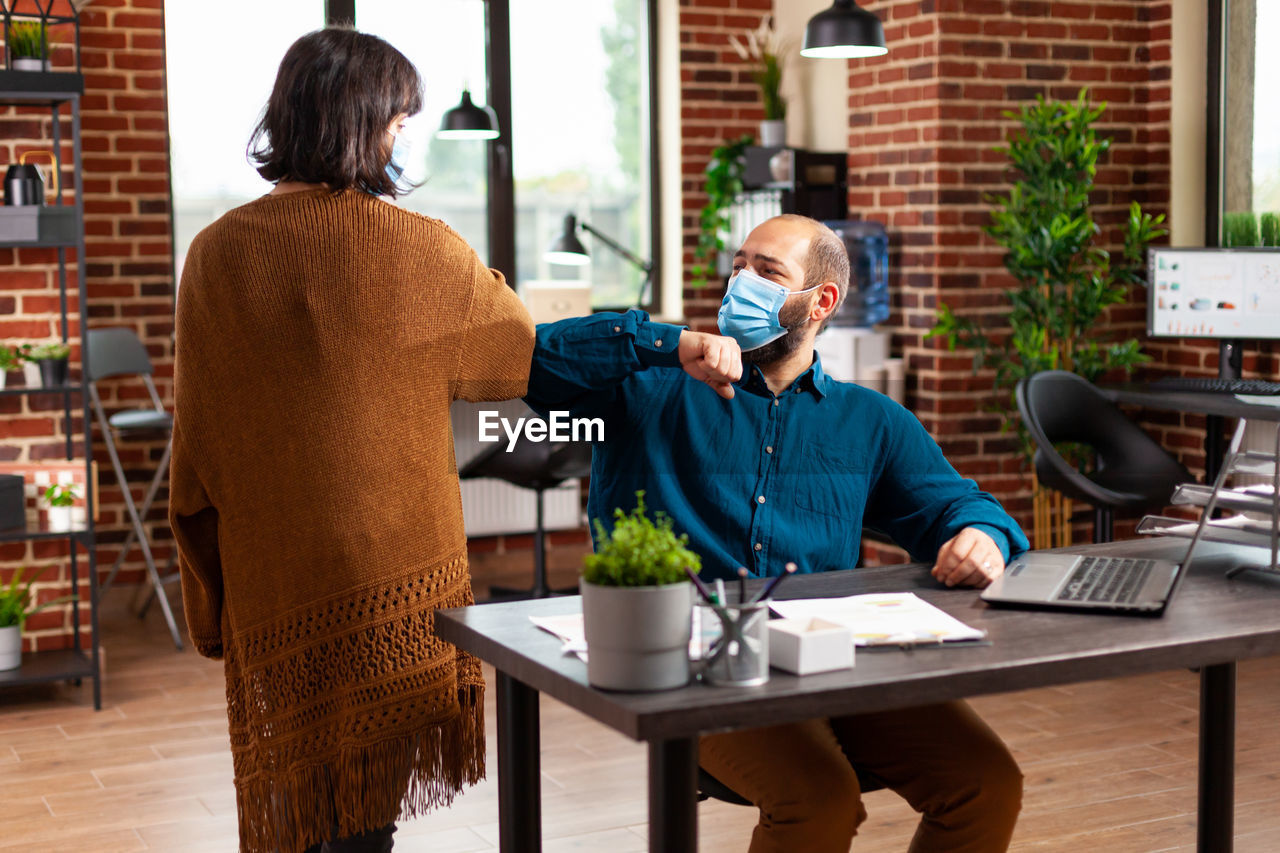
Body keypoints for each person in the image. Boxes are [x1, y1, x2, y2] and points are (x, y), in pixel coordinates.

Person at [525, 214, 1030, 852]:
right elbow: (529, 356)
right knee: (818, 799)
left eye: (767, 272)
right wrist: (664, 342)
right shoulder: (647, 387)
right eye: (739, 265)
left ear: (821, 301)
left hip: (827, 653)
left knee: (986, 782)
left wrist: (980, 534)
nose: (741, 283)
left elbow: (960, 507)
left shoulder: (870, 420)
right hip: (692, 658)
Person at [169, 28, 533, 853]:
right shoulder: (426, 248)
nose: (401, 139)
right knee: (365, 819)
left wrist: (212, 604)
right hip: (393, 579)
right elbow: (514, 344)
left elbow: (197, 457)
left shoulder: (214, 254)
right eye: (398, 123)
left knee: (297, 804)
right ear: (364, 123)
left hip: (277, 585)